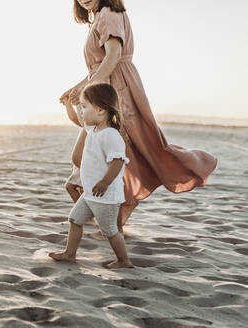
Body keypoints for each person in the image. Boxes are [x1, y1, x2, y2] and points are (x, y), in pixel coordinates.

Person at [60, 0, 217, 232]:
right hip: (103, 89)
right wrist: (78, 88)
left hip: (118, 91)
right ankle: (109, 215)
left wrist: (88, 90)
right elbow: (99, 66)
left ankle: (116, 213)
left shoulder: (109, 12)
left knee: (131, 150)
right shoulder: (98, 19)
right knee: (90, 155)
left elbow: (113, 56)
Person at [50, 83, 133, 269]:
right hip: (90, 193)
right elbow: (76, 118)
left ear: (101, 110)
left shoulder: (111, 135)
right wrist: (68, 106)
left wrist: (105, 181)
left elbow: (118, 161)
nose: (82, 111)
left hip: (105, 196)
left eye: (84, 106)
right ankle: (70, 254)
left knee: (110, 231)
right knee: (75, 219)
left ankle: (123, 260)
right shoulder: (93, 130)